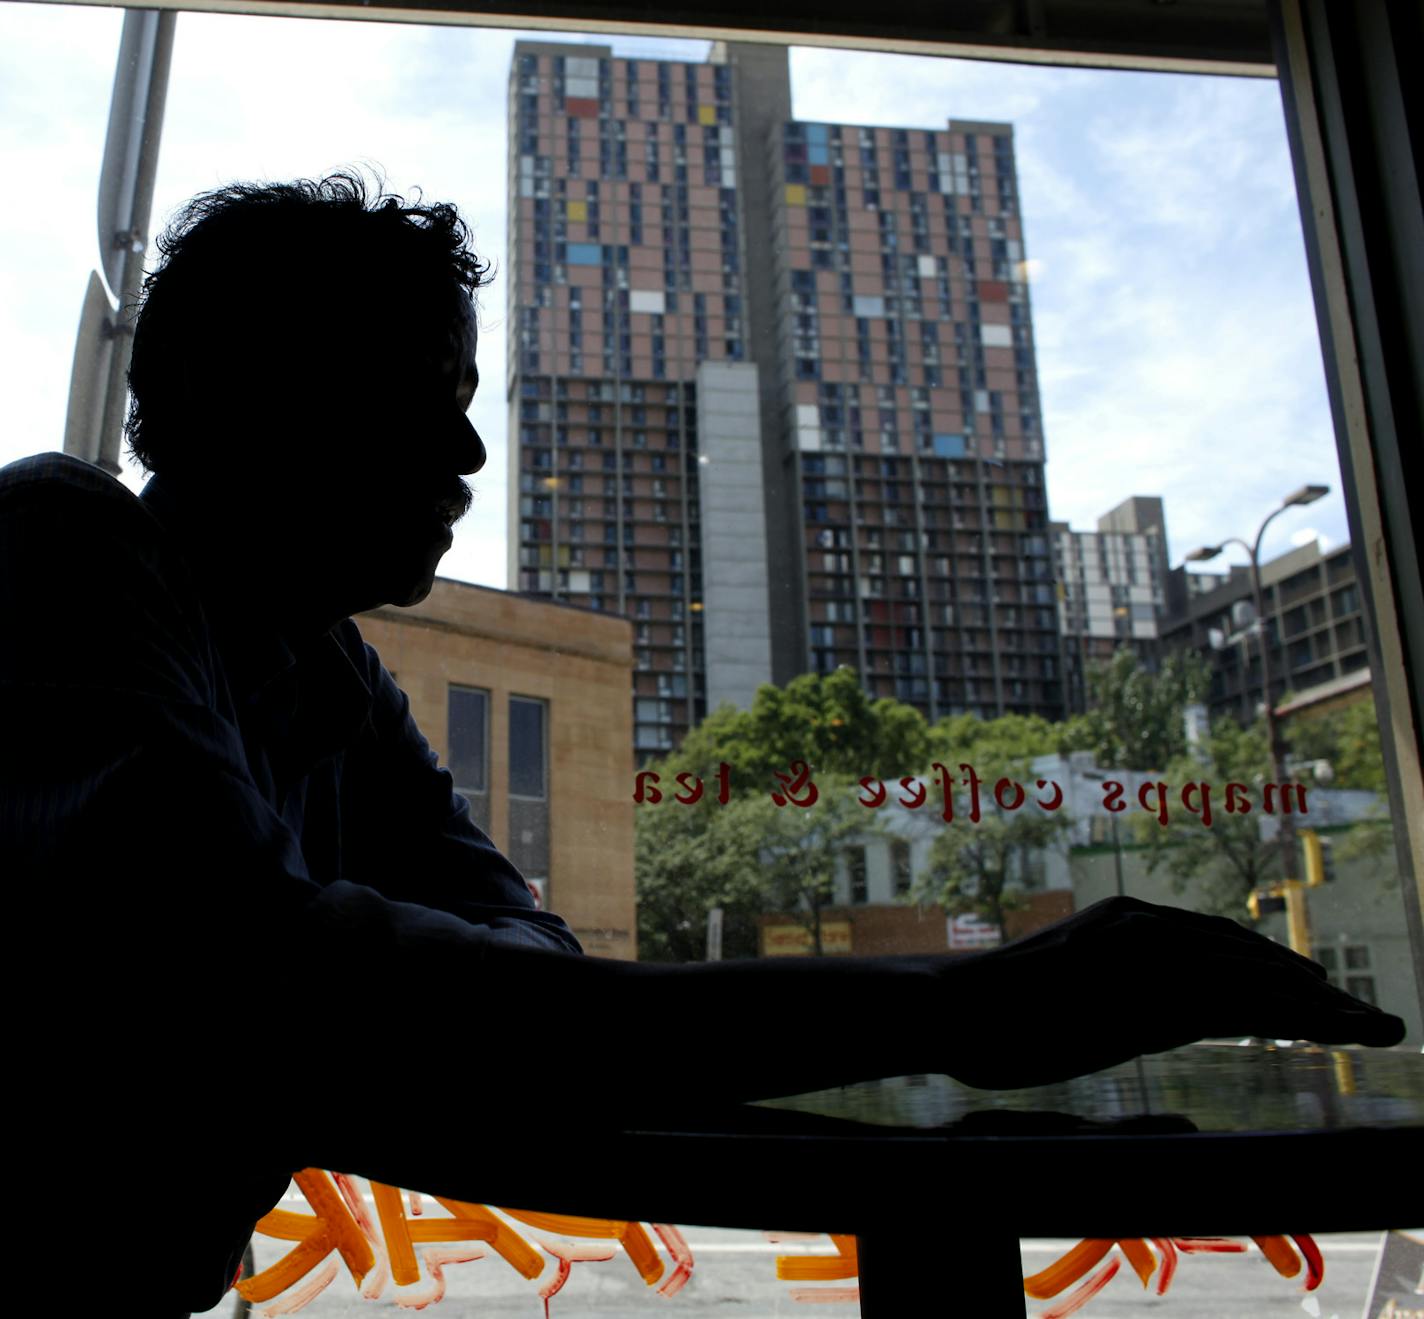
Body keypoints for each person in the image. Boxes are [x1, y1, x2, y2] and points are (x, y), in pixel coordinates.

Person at [1, 173, 1404, 1315]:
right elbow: (301, 991)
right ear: (226, 380)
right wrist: (963, 1006)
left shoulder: (325, 670)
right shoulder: (59, 548)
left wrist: (474, 1004)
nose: (472, 452)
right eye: (419, 384)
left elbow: (506, 966)